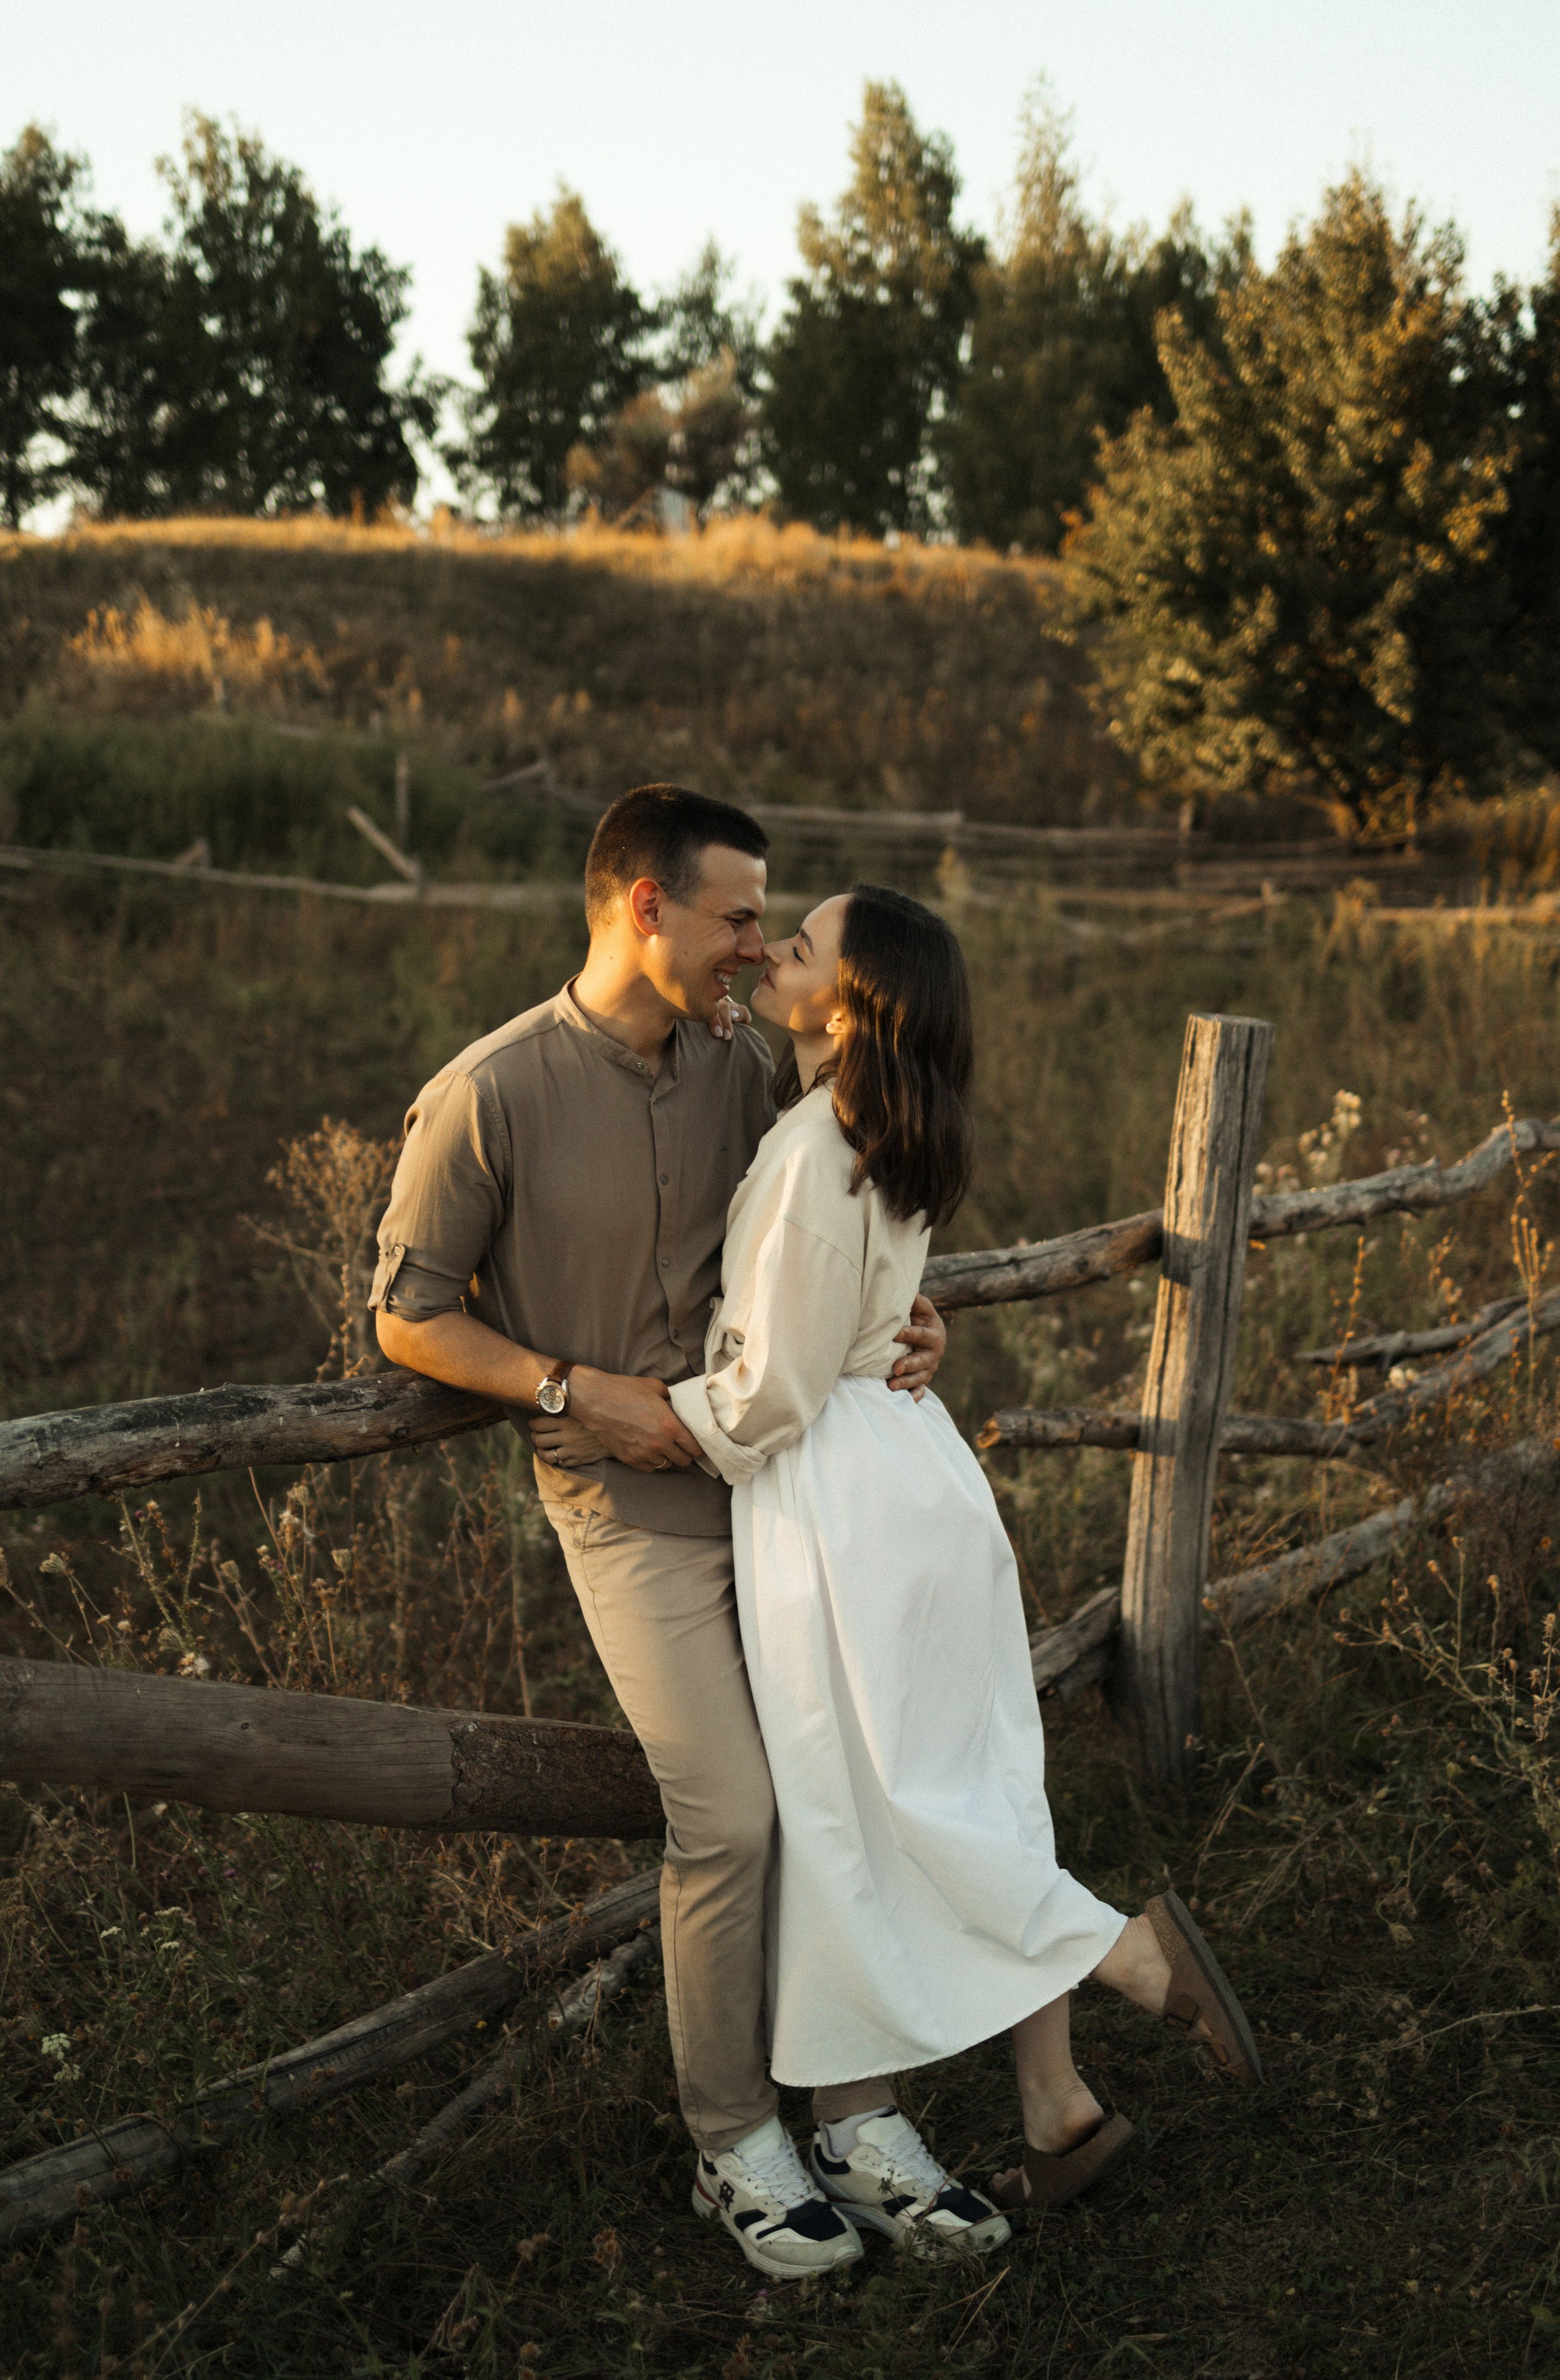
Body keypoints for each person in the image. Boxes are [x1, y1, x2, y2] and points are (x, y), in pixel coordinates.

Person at [369, 786, 947, 2284]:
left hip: (785, 1491)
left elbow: (830, 1212)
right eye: (738, 916)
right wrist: (570, 1388)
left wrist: (905, 1314)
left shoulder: (742, 1062)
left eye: (767, 923)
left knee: (832, 1791)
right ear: (644, 905)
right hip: (628, 1510)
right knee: (734, 1817)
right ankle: (732, 2136)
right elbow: (407, 1316)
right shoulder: (487, 1091)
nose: (757, 946)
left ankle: (859, 2112)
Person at [658, 883, 1262, 2260]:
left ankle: (1124, 1955)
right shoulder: (888, 1135)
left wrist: (636, 1412)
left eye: (801, 946)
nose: (775, 951)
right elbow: (855, 1321)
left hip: (836, 1496)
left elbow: (767, 1396)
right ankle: (1053, 2107)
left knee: (871, 1805)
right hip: (912, 1474)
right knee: (961, 1785)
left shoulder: (813, 1149)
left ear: (852, 1005)